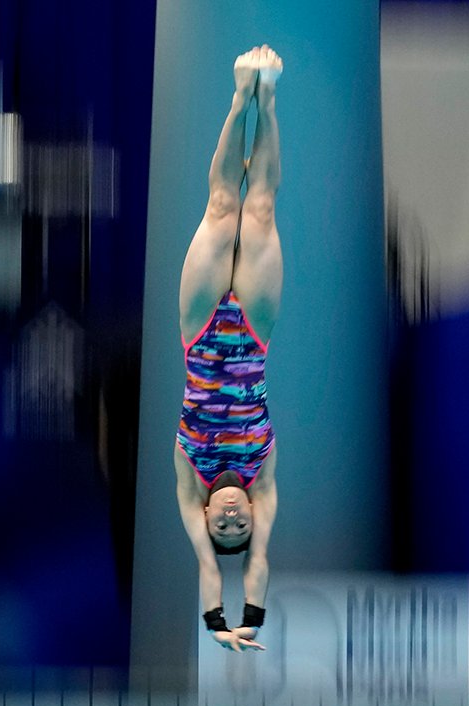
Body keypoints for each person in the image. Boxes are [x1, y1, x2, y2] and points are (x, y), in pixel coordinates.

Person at [174, 46, 283, 653]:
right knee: (260, 209)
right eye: (242, 526)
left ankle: (240, 94)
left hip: (199, 333)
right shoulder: (262, 483)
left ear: (210, 521)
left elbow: (211, 570)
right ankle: (268, 102)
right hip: (254, 335)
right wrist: (255, 618)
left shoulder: (191, 482)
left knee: (222, 207)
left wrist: (219, 625)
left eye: (226, 527)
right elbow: (252, 562)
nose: (234, 518)